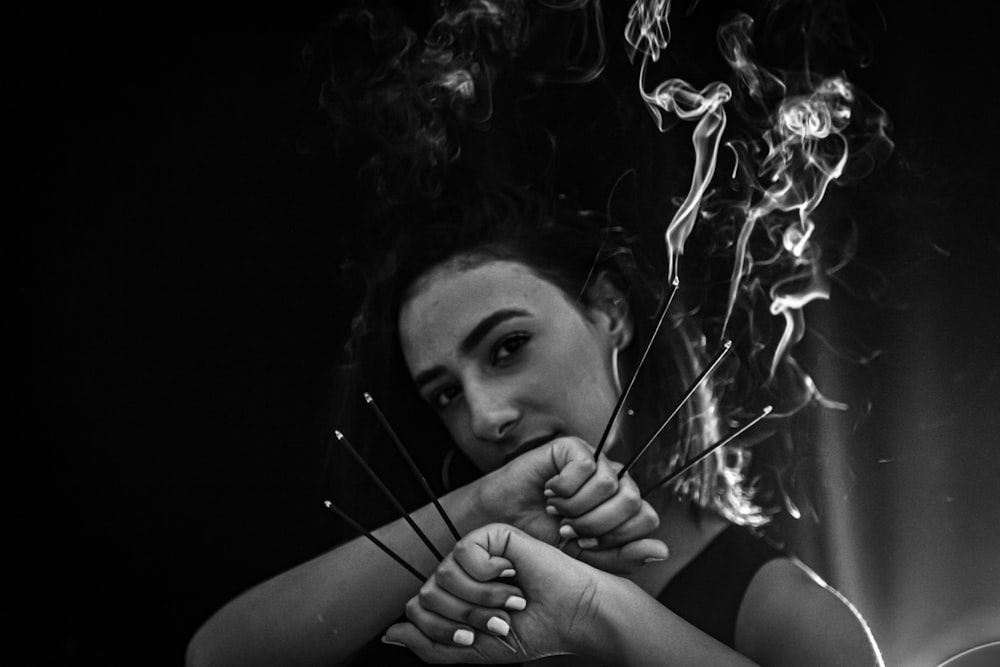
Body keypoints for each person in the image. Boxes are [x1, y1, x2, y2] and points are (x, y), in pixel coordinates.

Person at [185, 187, 884, 666]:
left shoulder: (779, 608)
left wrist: (592, 612)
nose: (485, 417)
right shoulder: (466, 576)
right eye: (444, 396)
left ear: (609, 310)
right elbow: (217, 655)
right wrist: (481, 505)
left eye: (508, 347)